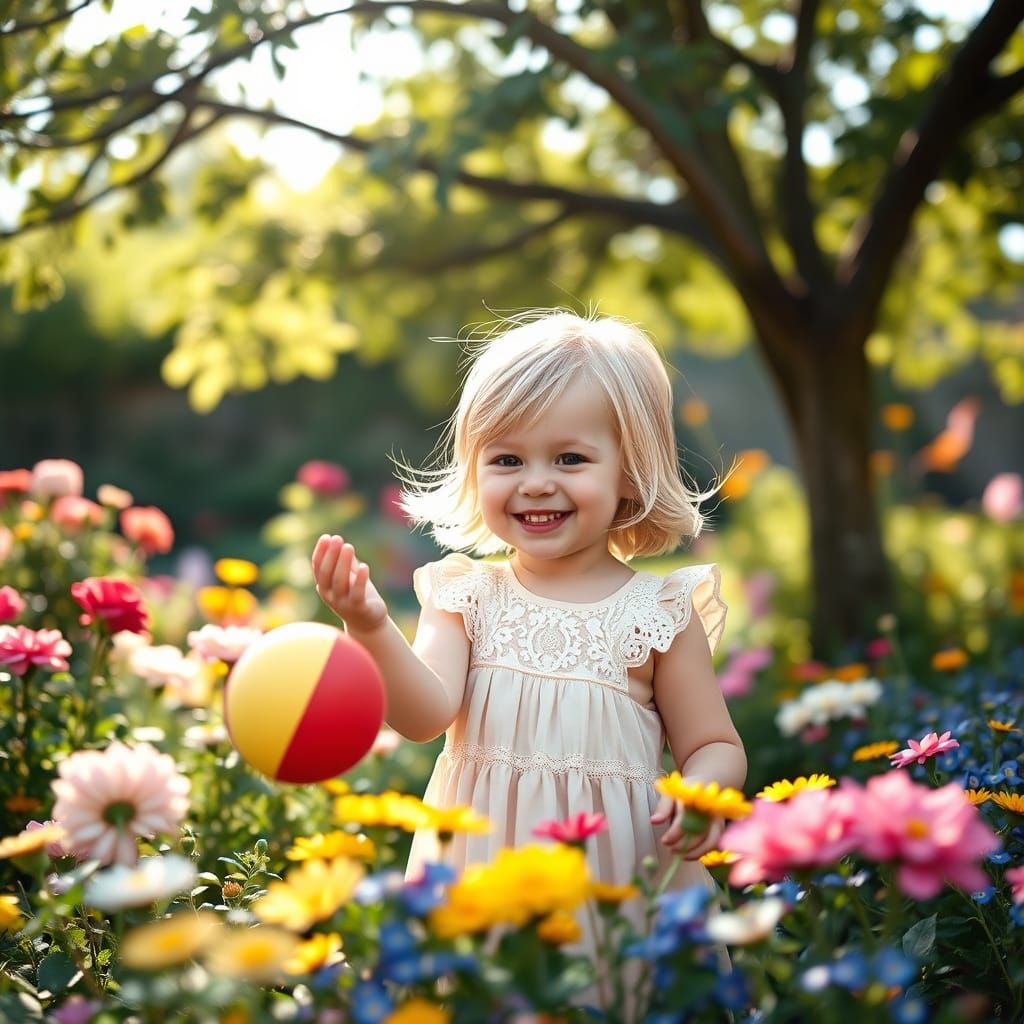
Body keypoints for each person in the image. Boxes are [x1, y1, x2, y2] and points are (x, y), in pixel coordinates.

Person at [311, 310, 746, 967]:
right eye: (507, 458)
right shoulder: (466, 595)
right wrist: (370, 625)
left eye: (570, 458)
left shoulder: (658, 610)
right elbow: (424, 715)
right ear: (475, 469)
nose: (536, 481)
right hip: (482, 877)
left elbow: (712, 741)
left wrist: (702, 792)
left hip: (616, 878)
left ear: (629, 471)